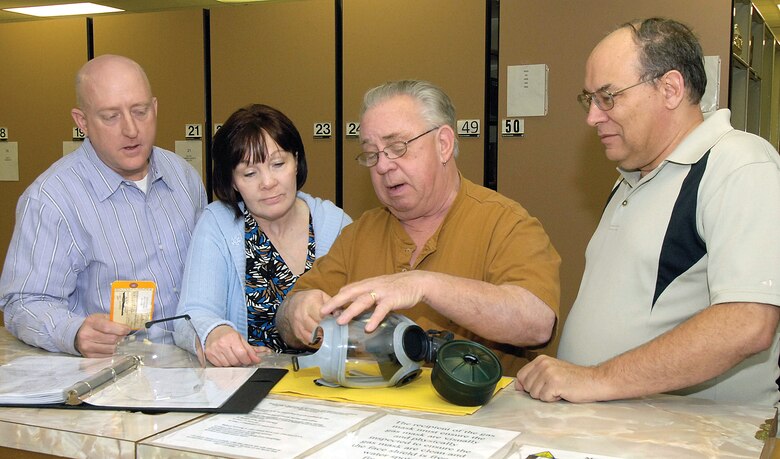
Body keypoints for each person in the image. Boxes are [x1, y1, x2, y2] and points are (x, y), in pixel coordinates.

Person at [515, 18, 780, 406]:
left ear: (670, 88)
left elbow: (747, 322)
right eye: (588, 99)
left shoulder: (738, 164)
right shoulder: (630, 179)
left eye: (608, 97)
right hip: (621, 431)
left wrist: (595, 380)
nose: (592, 116)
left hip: (699, 439)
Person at [277, 80, 561, 375]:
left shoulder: (505, 224)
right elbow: (286, 319)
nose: (383, 166)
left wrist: (425, 285)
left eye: (397, 147)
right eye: (372, 154)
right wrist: (299, 311)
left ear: (443, 144)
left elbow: (537, 322)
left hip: (475, 412)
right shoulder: (359, 234)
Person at [0, 55, 207, 358]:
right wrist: (73, 332)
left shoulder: (183, 175)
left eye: (140, 111)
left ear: (155, 107)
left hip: (195, 366)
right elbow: (23, 304)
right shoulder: (52, 200)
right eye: (111, 116)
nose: (131, 129)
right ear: (82, 122)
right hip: (117, 376)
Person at [174, 104, 351, 367]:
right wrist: (213, 332)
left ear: (296, 161)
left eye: (278, 164)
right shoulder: (218, 224)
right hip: (250, 383)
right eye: (249, 173)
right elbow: (192, 315)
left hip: (327, 383)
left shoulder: (334, 224)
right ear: (233, 181)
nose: (268, 182)